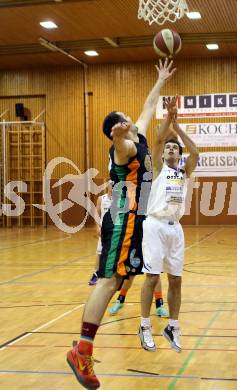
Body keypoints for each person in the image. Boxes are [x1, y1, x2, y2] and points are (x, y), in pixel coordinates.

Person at [66, 58, 176, 390]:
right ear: (119, 127)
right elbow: (120, 147)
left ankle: (82, 349)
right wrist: (116, 138)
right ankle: (81, 351)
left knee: (115, 280)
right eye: (123, 120)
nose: (130, 118)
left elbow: (147, 106)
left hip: (136, 219)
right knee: (108, 280)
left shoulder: (138, 135)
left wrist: (160, 80)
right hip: (123, 218)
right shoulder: (125, 146)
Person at [138, 96, 199, 353]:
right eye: (168, 148)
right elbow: (160, 139)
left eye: (175, 148)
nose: (171, 149)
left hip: (175, 228)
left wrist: (179, 126)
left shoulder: (183, 173)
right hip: (154, 225)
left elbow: (195, 152)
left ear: (179, 155)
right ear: (163, 155)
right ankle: (144, 326)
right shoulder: (158, 169)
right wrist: (167, 120)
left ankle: (172, 326)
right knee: (152, 276)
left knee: (176, 280)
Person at [88, 180, 113, 286]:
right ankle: (96, 274)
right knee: (100, 252)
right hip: (104, 230)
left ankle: (115, 274)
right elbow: (97, 214)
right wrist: (97, 226)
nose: (113, 187)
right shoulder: (101, 199)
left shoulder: (121, 199)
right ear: (107, 186)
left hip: (116, 229)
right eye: (111, 185)